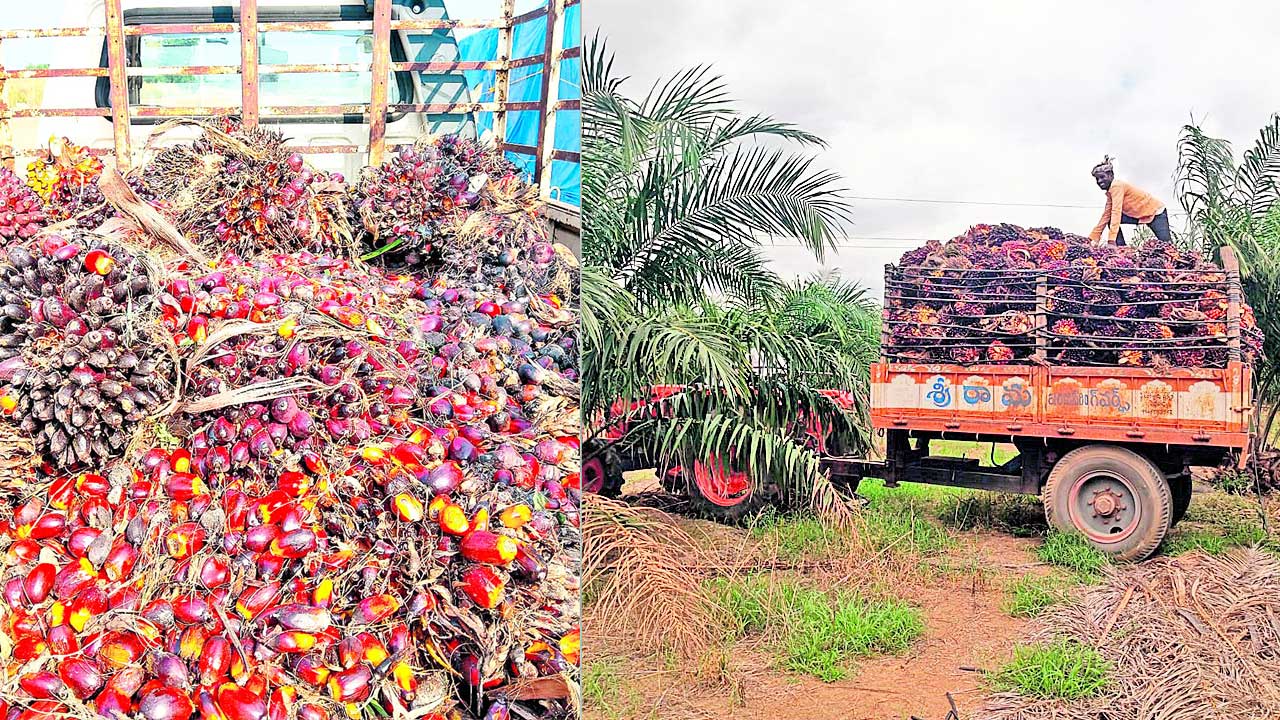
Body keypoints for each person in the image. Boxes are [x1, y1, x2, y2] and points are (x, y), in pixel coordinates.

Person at [1088, 156, 1171, 246]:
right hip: (1140, 214)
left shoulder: (1117, 186)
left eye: (1102, 177)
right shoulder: (1110, 193)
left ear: (1110, 175)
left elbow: (1116, 211)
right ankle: (1122, 249)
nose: (1099, 181)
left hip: (1156, 213)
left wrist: (1111, 240)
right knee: (1109, 218)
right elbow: (1106, 215)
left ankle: (1117, 245)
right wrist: (1093, 237)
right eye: (1097, 179)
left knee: (1167, 246)